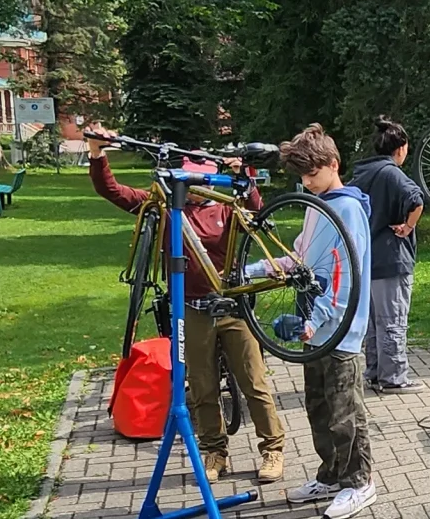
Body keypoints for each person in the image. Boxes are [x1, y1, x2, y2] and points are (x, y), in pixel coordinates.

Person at [83, 124, 291, 485]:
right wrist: (97, 154)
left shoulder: (228, 206)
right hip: (191, 309)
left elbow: (259, 214)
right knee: (202, 384)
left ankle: (272, 448)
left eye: (205, 181)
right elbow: (114, 192)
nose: (199, 189)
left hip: (233, 306)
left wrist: (246, 175)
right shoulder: (167, 208)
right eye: (193, 182)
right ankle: (215, 450)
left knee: (253, 381)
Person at [256, 124, 380, 519]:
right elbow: (300, 259)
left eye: (312, 174)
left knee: (346, 413)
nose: (307, 183)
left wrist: (315, 322)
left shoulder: (346, 209)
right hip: (315, 329)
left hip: (339, 332)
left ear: (333, 164)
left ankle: (360, 483)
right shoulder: (316, 205)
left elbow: (345, 276)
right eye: (302, 177)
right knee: (318, 408)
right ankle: (330, 475)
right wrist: (252, 270)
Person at [347, 117, 426, 393]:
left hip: (367, 258)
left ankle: (374, 371)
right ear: (401, 148)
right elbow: (416, 200)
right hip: (392, 258)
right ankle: (394, 378)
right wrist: (408, 227)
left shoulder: (362, 173)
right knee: (393, 319)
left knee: (373, 321)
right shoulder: (393, 174)